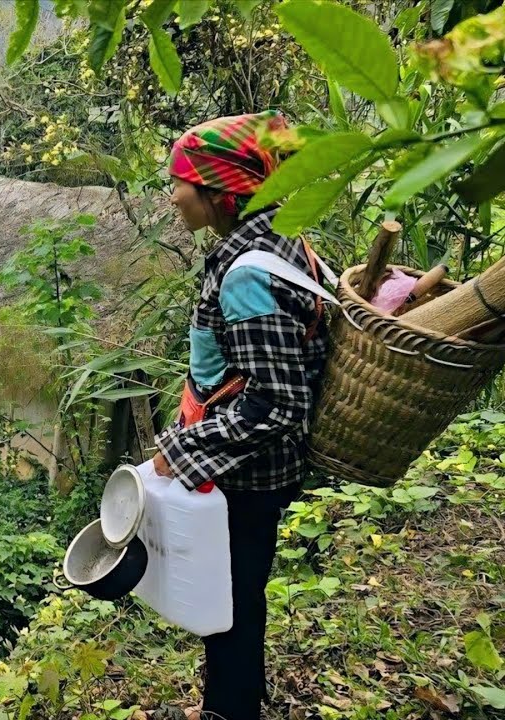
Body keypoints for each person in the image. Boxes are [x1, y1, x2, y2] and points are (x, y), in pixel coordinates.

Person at [150, 110, 329, 720]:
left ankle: (230, 709)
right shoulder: (281, 239)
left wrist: (181, 453)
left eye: (182, 182)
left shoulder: (245, 276)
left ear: (223, 194)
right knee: (238, 602)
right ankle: (234, 702)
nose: (173, 194)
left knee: (227, 611)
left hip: (245, 478)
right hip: (252, 471)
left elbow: (276, 400)